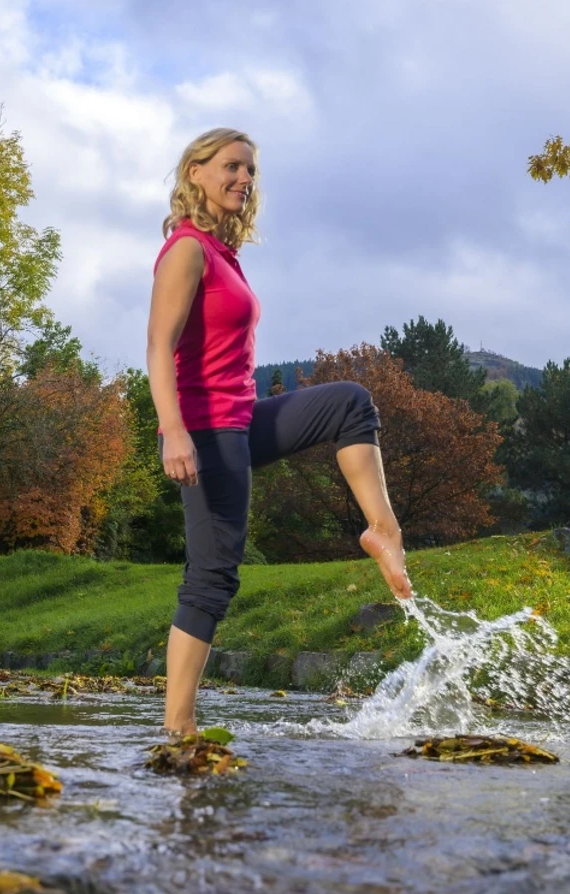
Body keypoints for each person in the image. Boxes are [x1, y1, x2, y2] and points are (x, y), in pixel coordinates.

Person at [146, 127, 414, 736]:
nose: (245, 179)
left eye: (250, 171)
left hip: (240, 421)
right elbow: (158, 348)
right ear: (196, 172)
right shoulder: (185, 250)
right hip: (206, 428)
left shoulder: (222, 254)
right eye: (232, 167)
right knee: (213, 575)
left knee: (350, 403)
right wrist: (173, 431)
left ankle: (382, 528)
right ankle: (177, 728)